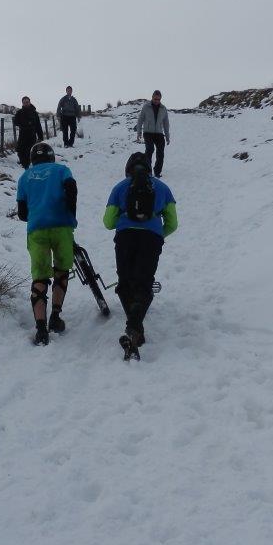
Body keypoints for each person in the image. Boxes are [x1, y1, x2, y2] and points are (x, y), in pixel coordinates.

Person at [103, 152, 177, 359]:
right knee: (144, 284)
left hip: (125, 238)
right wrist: (158, 234)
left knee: (125, 283)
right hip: (151, 239)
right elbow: (173, 223)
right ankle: (134, 328)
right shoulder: (163, 188)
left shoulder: (119, 187)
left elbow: (108, 222)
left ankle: (134, 329)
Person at [16, 142, 78, 345]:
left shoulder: (24, 177)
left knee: (40, 276)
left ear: (33, 159)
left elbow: (22, 214)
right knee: (62, 269)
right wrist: (70, 213)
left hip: (37, 229)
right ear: (51, 156)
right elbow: (72, 190)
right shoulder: (62, 170)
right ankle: (55, 316)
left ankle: (41, 329)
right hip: (62, 226)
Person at [134, 90, 171, 178]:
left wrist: (167, 136)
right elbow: (140, 120)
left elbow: (166, 123)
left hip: (159, 133)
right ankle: (147, 171)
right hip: (148, 132)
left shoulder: (163, 108)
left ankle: (157, 172)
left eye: (158, 99)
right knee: (150, 149)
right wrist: (139, 132)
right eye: (155, 99)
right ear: (152, 97)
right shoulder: (146, 107)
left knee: (160, 152)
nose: (157, 101)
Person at [12, 96, 45, 169]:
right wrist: (22, 123)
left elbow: (38, 125)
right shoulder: (19, 112)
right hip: (22, 134)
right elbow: (15, 122)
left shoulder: (34, 113)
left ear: (29, 102)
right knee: (20, 150)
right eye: (24, 102)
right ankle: (23, 164)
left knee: (29, 151)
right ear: (22, 103)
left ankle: (27, 165)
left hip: (32, 135)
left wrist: (40, 136)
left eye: (27, 102)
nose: (26, 104)